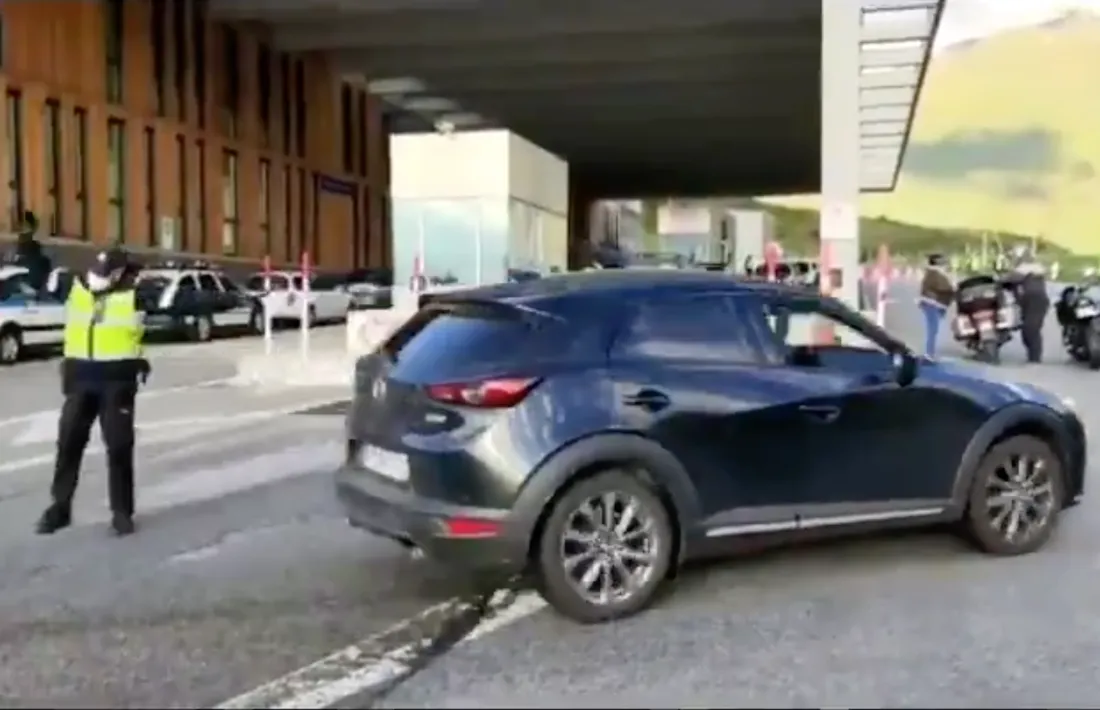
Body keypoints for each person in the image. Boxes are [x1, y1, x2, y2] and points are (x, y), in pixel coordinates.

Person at [35, 246, 151, 537]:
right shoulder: (75, 290)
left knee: (119, 447)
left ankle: (122, 513)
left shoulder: (134, 294)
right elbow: (38, 275)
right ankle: (59, 508)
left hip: (117, 382)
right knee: (68, 444)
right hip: (80, 380)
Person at [1003, 251, 1050, 363]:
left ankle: (1035, 358)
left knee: (1031, 329)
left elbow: (1007, 279)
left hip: (1035, 301)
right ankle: (1033, 356)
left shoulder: (1026, 268)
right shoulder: (1035, 268)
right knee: (1029, 329)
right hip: (1030, 302)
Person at [919, 253, 955, 357]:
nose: (945, 262)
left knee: (933, 330)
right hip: (932, 304)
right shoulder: (934, 273)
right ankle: (929, 353)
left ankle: (930, 352)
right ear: (936, 262)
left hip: (934, 304)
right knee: (933, 330)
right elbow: (944, 288)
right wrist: (953, 289)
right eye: (942, 261)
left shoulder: (934, 273)